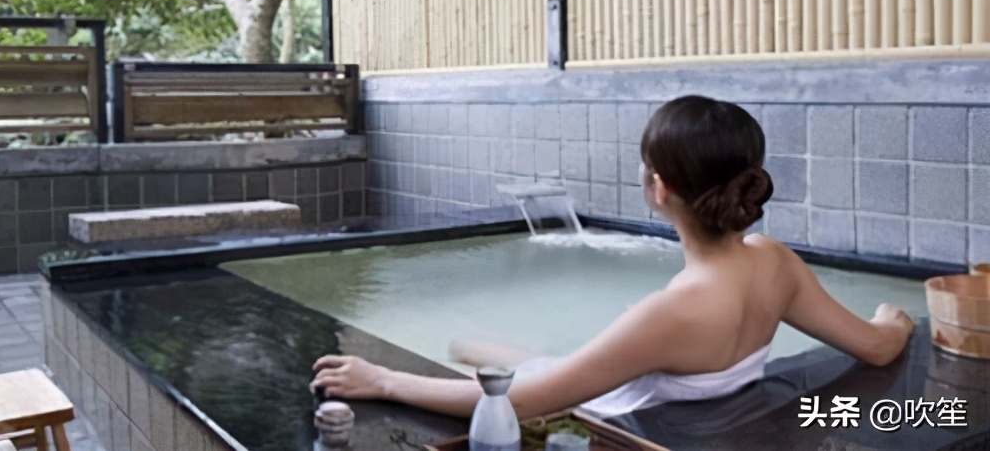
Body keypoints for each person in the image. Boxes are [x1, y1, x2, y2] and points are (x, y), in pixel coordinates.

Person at [310, 95, 916, 420]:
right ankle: (505, 356)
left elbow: (518, 405)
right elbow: (877, 346)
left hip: (626, 404)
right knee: (491, 353)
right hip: (663, 382)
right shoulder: (773, 262)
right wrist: (893, 317)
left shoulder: (673, 312)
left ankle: (495, 360)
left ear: (659, 188)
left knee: (488, 374)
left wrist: (383, 380)